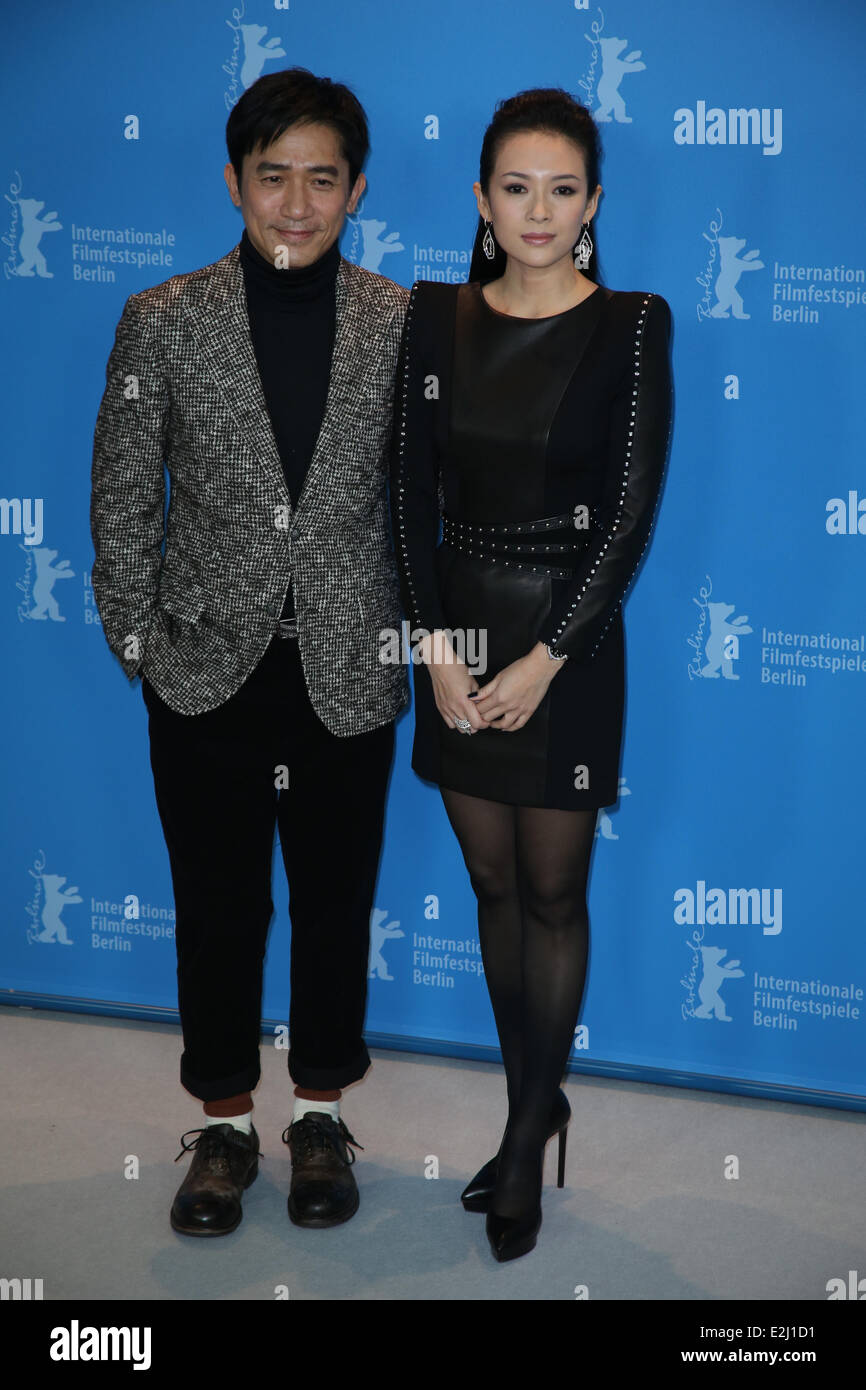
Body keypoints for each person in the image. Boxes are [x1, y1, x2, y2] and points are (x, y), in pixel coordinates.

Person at [90, 67, 409, 1236]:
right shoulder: (161, 318)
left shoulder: (398, 321)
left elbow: (415, 503)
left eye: (320, 178)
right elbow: (122, 498)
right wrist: (139, 642)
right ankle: (224, 1122)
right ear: (234, 182)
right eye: (271, 175)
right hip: (204, 670)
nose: (295, 201)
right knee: (215, 906)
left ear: (354, 190)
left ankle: (318, 1114)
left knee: (334, 904)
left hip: (346, 671)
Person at [390, 88, 673, 1262]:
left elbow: (627, 516)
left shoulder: (633, 325)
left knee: (552, 895)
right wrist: (435, 651)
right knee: (491, 890)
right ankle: (533, 1100)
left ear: (593, 202)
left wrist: (545, 659)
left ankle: (519, 1141)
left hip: (570, 644)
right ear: (480, 199)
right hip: (454, 646)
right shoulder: (432, 315)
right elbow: (405, 501)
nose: (538, 210)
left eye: (563, 188)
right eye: (515, 187)